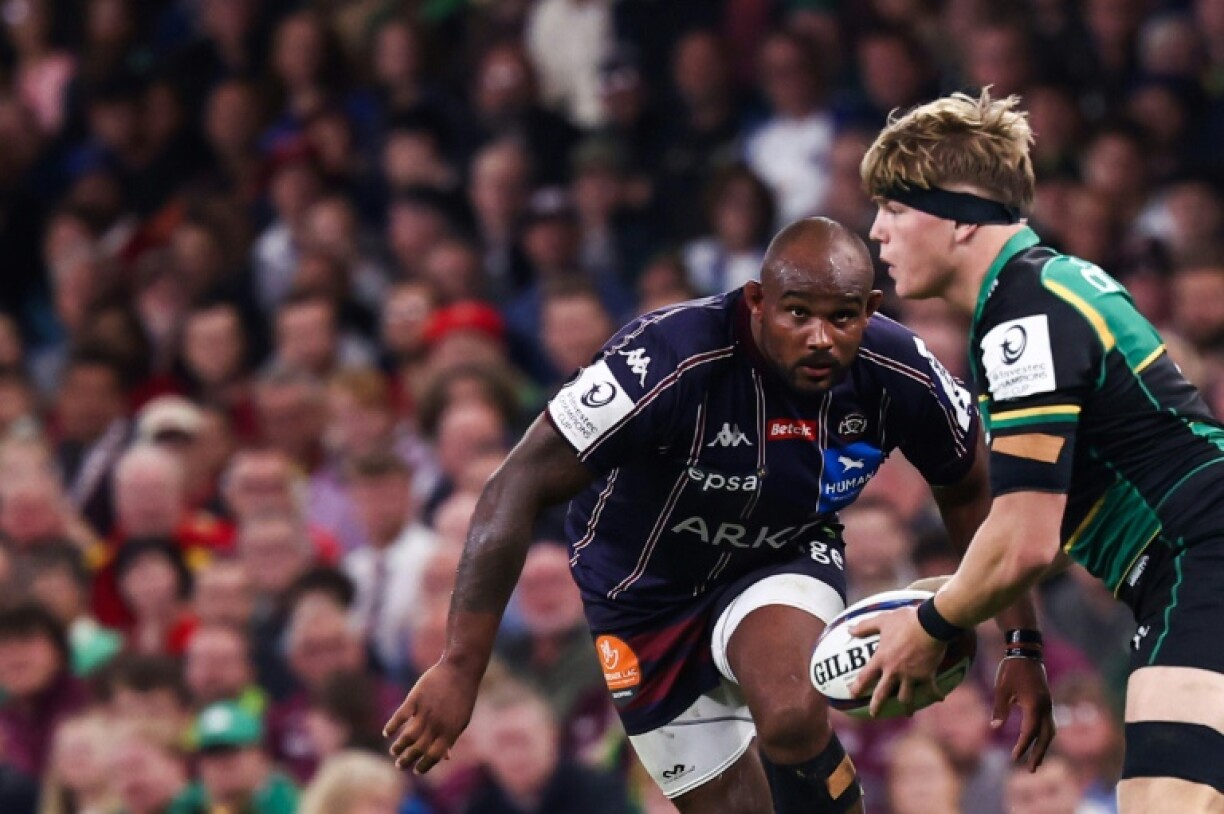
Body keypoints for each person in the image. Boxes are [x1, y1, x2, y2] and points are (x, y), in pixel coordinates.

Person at [385, 216, 1052, 812]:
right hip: (638, 600)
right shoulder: (666, 358)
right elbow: (514, 486)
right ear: (757, 303)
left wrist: (1020, 643)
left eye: (843, 318)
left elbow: (972, 490)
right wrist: (460, 665)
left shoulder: (898, 368)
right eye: (797, 314)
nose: (821, 338)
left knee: (791, 713)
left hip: (776, 557)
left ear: (870, 309)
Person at [856, 89, 1224, 812]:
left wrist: (931, 625)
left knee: (1165, 802)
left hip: (1201, 557)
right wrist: (1016, 645)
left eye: (895, 208)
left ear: (960, 218)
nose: (876, 233)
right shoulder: (1040, 291)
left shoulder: (1024, 317)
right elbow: (1037, 528)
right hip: (1189, 562)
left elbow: (1024, 541)